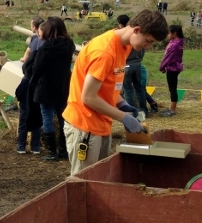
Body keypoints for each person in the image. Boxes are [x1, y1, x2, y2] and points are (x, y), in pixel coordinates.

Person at [62, 10, 168, 175]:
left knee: (99, 177)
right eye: (148, 41)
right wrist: (123, 117)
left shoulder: (124, 46)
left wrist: (121, 103)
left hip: (101, 123)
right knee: (84, 181)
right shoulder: (105, 52)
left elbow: (108, 84)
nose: (148, 47)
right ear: (136, 30)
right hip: (85, 125)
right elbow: (88, 97)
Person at [27, 17, 75, 161]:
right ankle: (64, 150)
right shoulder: (69, 45)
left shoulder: (45, 48)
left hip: (46, 87)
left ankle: (52, 151)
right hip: (63, 86)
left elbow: (37, 69)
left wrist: (32, 82)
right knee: (63, 117)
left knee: (47, 117)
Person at [16, 24, 45, 155]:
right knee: (37, 119)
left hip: (26, 93)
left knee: (23, 120)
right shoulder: (40, 77)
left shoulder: (26, 75)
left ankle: (21, 146)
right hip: (38, 92)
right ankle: (35, 147)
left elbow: (19, 92)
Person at [159, 24, 184, 117]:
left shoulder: (175, 45)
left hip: (172, 68)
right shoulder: (177, 41)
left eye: (169, 33)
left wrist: (162, 67)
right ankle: (171, 108)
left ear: (175, 33)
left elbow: (168, 58)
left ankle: (172, 110)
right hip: (175, 67)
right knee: (172, 89)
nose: (168, 35)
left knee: (172, 89)